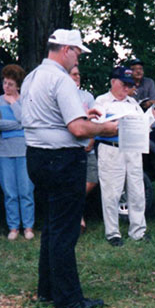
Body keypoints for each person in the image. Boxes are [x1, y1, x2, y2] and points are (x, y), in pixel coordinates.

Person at [21, 29, 118, 308]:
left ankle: (47, 290)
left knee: (52, 226)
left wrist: (85, 117)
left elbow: (49, 118)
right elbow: (77, 129)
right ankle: (68, 298)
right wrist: (106, 128)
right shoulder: (61, 80)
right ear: (66, 50)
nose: (78, 59)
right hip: (62, 160)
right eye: (77, 53)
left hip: (37, 157)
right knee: (65, 230)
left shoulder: (32, 77)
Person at [94, 66, 154, 246]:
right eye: (123, 85)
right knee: (111, 192)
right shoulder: (101, 102)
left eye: (129, 86)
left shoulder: (133, 103)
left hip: (132, 148)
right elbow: (96, 125)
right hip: (111, 148)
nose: (127, 89)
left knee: (137, 190)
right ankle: (113, 233)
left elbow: (145, 127)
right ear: (113, 82)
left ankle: (138, 231)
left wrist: (148, 118)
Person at [0, 64, 35, 241]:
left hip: (24, 150)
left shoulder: (25, 100)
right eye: (4, 83)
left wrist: (14, 104)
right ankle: (13, 227)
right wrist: (19, 125)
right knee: (10, 192)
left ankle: (29, 226)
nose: (6, 87)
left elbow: (27, 120)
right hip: (2, 152)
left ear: (18, 86)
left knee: (26, 190)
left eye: (10, 84)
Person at [69, 65, 98, 233]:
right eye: (73, 74)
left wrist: (92, 140)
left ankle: (73, 207)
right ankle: (79, 219)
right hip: (72, 147)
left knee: (92, 178)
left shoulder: (87, 96)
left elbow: (95, 121)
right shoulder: (63, 96)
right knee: (72, 182)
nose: (77, 77)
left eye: (78, 74)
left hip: (88, 147)